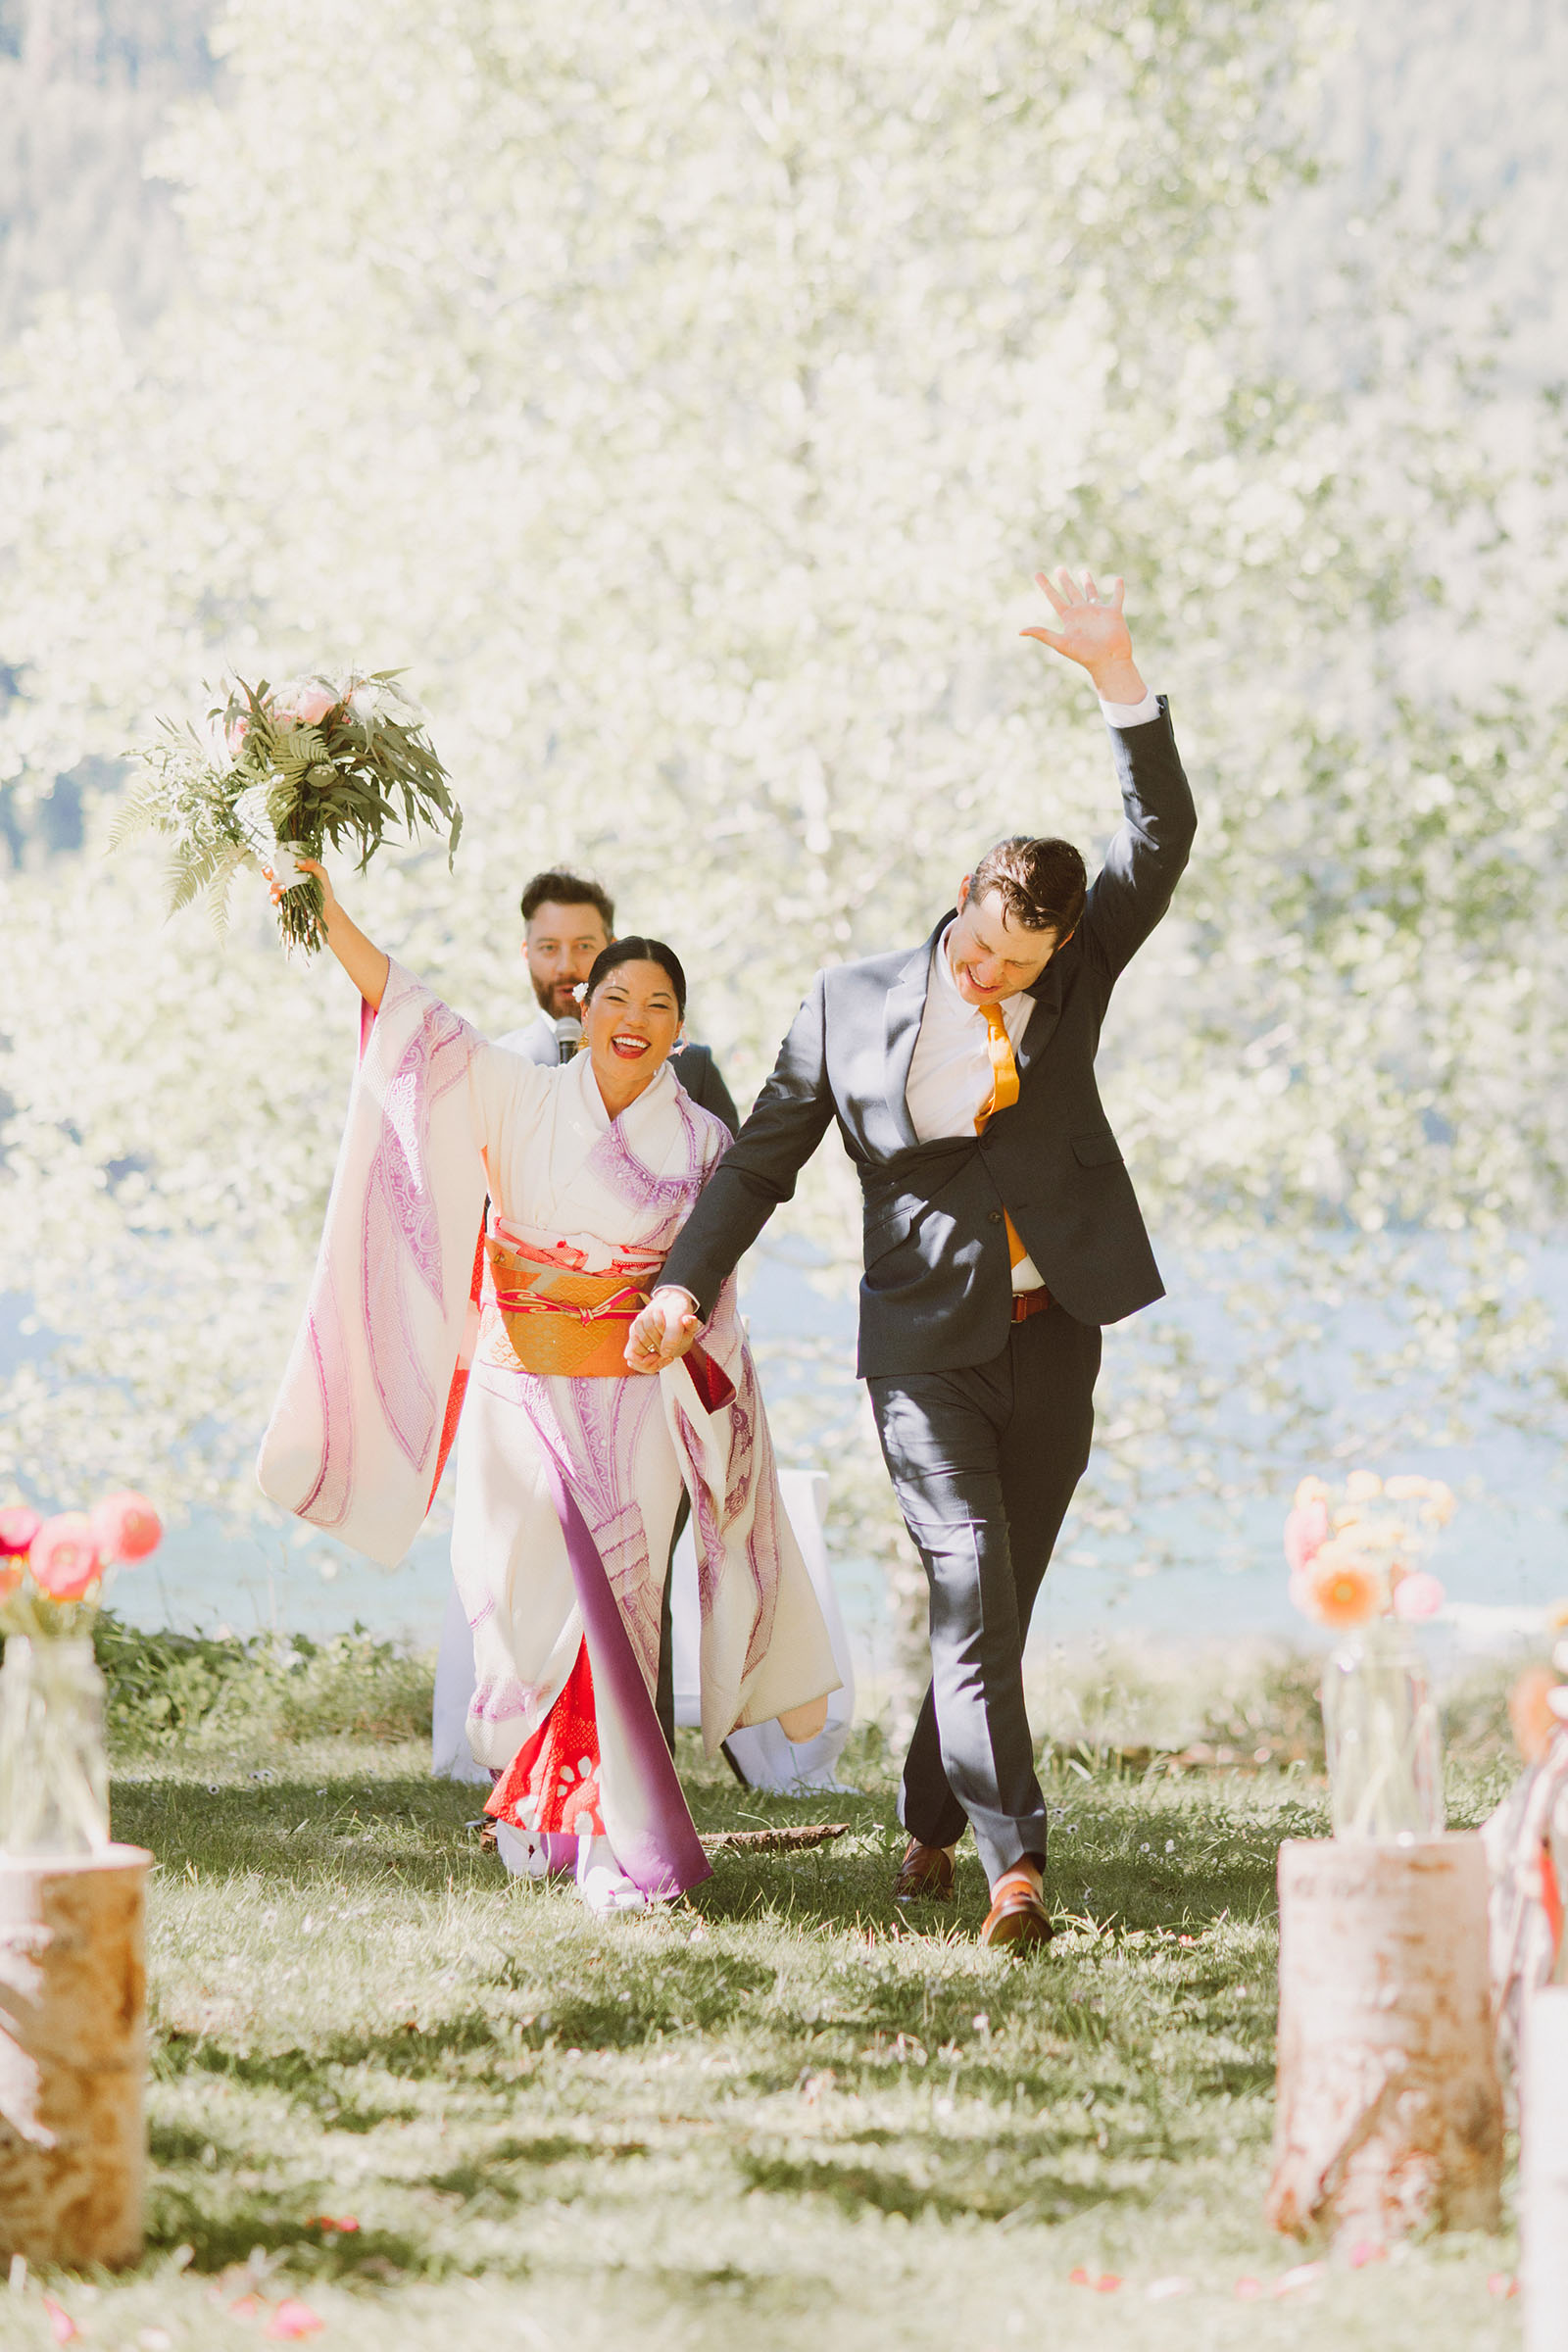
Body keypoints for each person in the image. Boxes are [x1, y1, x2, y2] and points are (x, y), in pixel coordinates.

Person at [625, 568, 1196, 1949]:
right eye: (989, 949)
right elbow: (762, 1158)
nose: (1000, 974)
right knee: (966, 1570)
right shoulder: (849, 1003)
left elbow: (1159, 833)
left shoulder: (1075, 967)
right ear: (963, 905)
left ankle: (929, 1820)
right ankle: (1018, 1869)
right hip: (925, 1351)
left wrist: (1117, 675)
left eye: (1027, 959)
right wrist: (684, 1283)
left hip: (1060, 1329)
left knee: (1000, 1596)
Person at [257, 864, 837, 1917]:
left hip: (631, 1411)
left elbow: (712, 1289)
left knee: (615, 1616)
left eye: (660, 1006)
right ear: (582, 1007)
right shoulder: (515, 1090)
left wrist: (680, 1316)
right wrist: (317, 900)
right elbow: (403, 1004)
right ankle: (538, 1802)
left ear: (677, 1033)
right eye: (615, 996)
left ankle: (619, 1840)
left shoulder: (703, 1143)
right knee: (520, 1617)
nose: (634, 1017)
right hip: (518, 1398)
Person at [497, 867, 739, 1131]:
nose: (566, 966)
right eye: (549, 948)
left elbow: (733, 1170)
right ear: (526, 953)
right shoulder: (501, 1064)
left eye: (584, 946)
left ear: (613, 949)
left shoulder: (692, 1068)